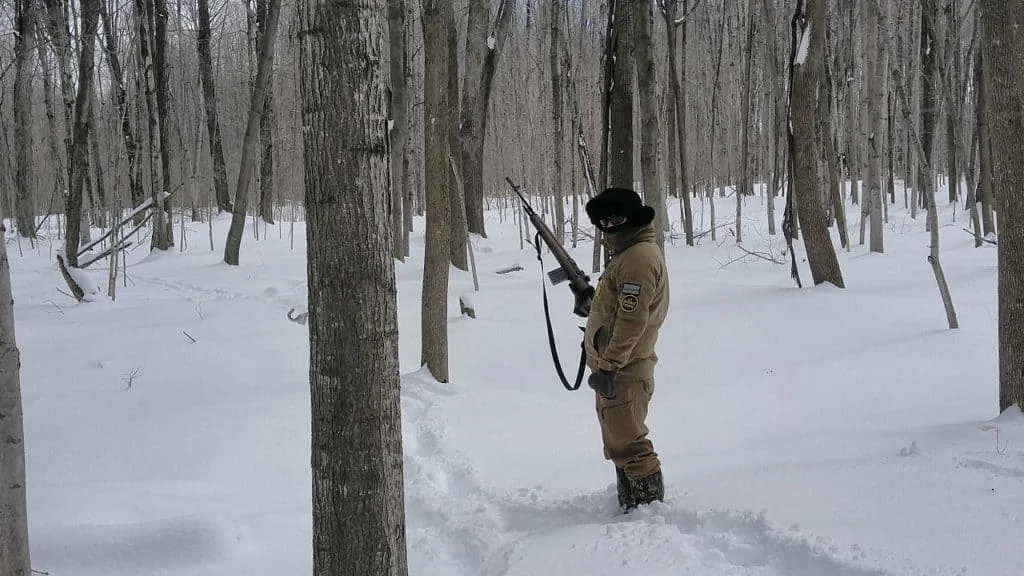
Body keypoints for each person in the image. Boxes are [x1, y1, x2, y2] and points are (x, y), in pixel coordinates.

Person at [582, 187, 670, 513]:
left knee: (631, 444)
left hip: (624, 369)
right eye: (603, 222)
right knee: (620, 441)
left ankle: (646, 513)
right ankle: (632, 505)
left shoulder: (636, 258)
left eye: (616, 219)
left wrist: (609, 366)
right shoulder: (627, 254)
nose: (609, 227)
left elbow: (632, 322)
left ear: (632, 218)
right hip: (619, 367)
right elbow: (618, 309)